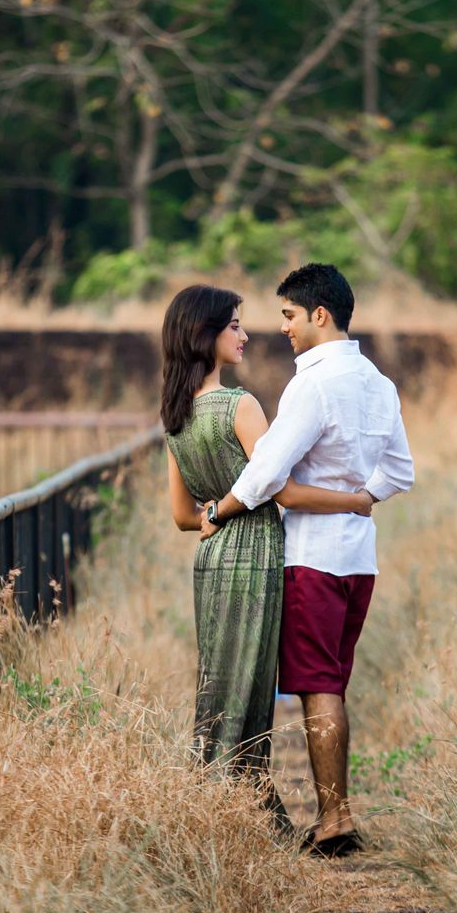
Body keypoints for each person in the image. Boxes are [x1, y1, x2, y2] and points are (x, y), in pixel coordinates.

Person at [199, 263, 414, 858]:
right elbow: (400, 472)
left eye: (290, 316)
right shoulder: (379, 384)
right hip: (358, 561)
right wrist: (357, 501)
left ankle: (335, 819)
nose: (285, 329)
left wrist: (220, 511)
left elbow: (267, 469)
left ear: (319, 314)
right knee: (332, 684)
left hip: (312, 558)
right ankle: (334, 815)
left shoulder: (312, 384)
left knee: (319, 688)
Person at [161, 284, 374, 841]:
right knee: (252, 692)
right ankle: (247, 815)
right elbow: (281, 492)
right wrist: (355, 500)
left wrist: (214, 516)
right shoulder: (240, 406)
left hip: (210, 559)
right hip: (254, 554)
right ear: (204, 335)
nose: (245, 333)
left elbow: (185, 517)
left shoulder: (177, 418)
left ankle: (216, 804)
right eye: (233, 325)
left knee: (218, 686)